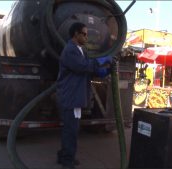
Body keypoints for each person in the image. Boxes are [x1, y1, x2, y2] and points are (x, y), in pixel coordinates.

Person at [56, 22, 112, 169]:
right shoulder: (70, 50)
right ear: (76, 34)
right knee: (71, 130)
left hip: (76, 96)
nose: (87, 37)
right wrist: (100, 60)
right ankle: (67, 161)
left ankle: (64, 155)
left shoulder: (81, 50)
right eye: (85, 34)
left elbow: (88, 69)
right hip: (71, 97)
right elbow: (82, 66)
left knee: (71, 129)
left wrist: (104, 71)